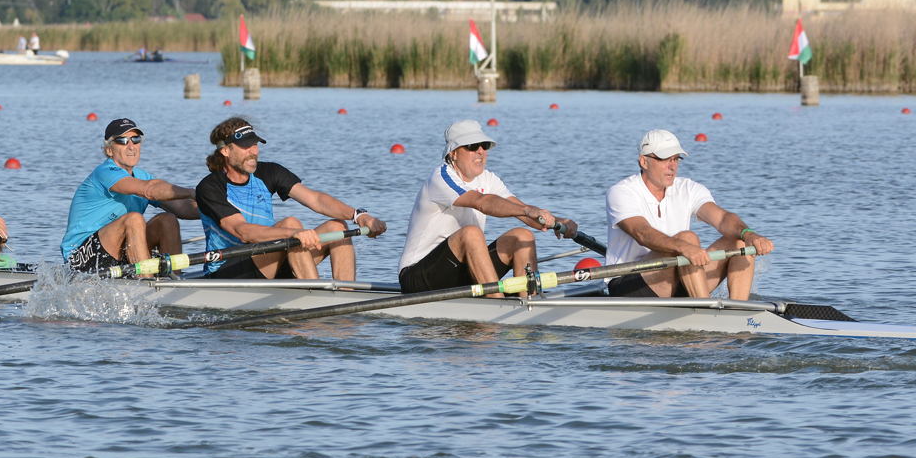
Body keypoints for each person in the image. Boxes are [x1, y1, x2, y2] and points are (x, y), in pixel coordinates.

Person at [398, 119, 578, 297]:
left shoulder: (488, 179)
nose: (480, 152)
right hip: (418, 277)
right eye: (472, 146)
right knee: (471, 234)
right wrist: (526, 211)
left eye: (484, 145)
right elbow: (481, 202)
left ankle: (530, 301)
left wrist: (555, 221)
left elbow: (522, 210)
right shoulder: (440, 178)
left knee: (522, 236)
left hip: (462, 271)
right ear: (453, 153)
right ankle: (496, 304)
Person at [195, 117, 386, 280]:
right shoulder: (210, 187)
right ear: (226, 151)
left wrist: (359, 215)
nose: (253, 151)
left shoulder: (270, 172)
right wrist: (290, 233)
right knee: (291, 223)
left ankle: (346, 297)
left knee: (337, 226)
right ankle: (317, 298)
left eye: (254, 144)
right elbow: (243, 231)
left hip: (270, 258)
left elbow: (316, 200)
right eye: (246, 146)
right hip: (229, 269)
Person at [605, 129, 774, 299]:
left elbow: (722, 219)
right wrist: (684, 246)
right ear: (644, 162)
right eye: (664, 159)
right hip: (629, 284)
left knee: (739, 243)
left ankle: (740, 313)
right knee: (687, 238)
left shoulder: (688, 188)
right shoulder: (622, 192)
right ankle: (704, 308)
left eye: (676, 159)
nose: (672, 166)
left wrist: (748, 233)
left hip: (680, 276)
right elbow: (642, 233)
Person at [61, 118, 199, 274]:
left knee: (167, 220)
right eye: (122, 141)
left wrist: (216, 206)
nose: (131, 146)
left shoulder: (142, 176)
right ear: (109, 150)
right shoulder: (105, 172)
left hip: (118, 252)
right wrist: (193, 192)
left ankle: (174, 282)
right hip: (81, 258)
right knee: (133, 219)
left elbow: (183, 207)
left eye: (136, 139)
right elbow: (150, 190)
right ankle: (147, 281)